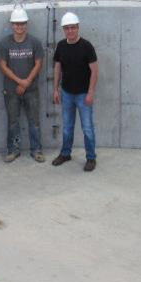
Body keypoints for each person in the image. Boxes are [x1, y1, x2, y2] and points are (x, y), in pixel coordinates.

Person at [52, 12, 99, 172]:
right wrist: (55, 90)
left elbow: (94, 71)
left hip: (83, 94)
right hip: (67, 93)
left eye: (73, 28)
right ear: (63, 30)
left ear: (78, 28)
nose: (70, 31)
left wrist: (91, 92)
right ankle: (65, 154)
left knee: (87, 128)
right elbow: (57, 67)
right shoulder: (61, 46)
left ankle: (91, 158)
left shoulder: (87, 46)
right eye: (67, 28)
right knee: (67, 127)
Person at [0, 8, 45, 163]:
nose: (20, 27)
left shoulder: (35, 42)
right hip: (11, 91)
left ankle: (36, 150)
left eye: (22, 24)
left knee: (34, 122)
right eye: (17, 24)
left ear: (26, 24)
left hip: (31, 90)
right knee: (13, 122)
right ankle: (13, 150)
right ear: (12, 25)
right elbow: (3, 66)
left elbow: (38, 64)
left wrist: (26, 83)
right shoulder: (5, 43)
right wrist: (20, 82)